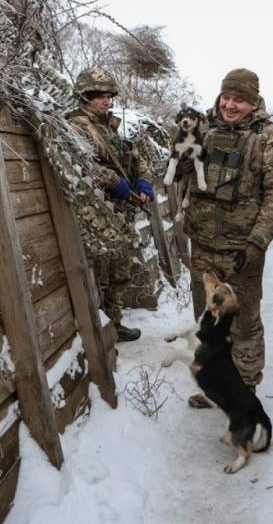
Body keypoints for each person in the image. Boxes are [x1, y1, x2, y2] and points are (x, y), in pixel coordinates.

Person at [179, 68, 273, 407]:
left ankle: (243, 395)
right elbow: (177, 173)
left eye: (239, 99)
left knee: (242, 324)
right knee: (208, 322)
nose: (230, 104)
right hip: (202, 247)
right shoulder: (203, 128)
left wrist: (257, 242)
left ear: (253, 101)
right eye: (226, 97)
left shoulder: (269, 138)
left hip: (241, 251)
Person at [68, 67, 155, 342]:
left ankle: (114, 325)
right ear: (83, 96)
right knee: (101, 272)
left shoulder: (109, 127)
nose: (105, 101)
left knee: (120, 269)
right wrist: (113, 182)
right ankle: (101, 332)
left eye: (108, 95)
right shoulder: (76, 126)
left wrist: (143, 182)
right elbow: (83, 164)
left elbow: (135, 156)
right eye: (97, 95)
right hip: (98, 211)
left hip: (120, 210)